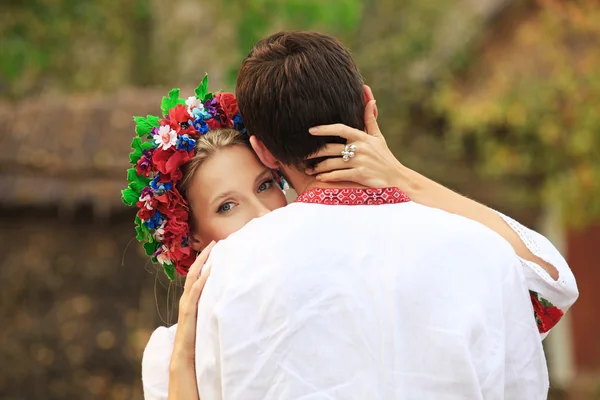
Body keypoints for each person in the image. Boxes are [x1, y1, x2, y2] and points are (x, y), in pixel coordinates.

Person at [129, 34, 578, 400]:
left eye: (265, 185)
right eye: (227, 205)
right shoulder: (481, 253)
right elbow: (552, 291)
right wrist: (404, 178)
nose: (261, 211)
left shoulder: (231, 277)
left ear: (264, 151)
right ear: (369, 104)